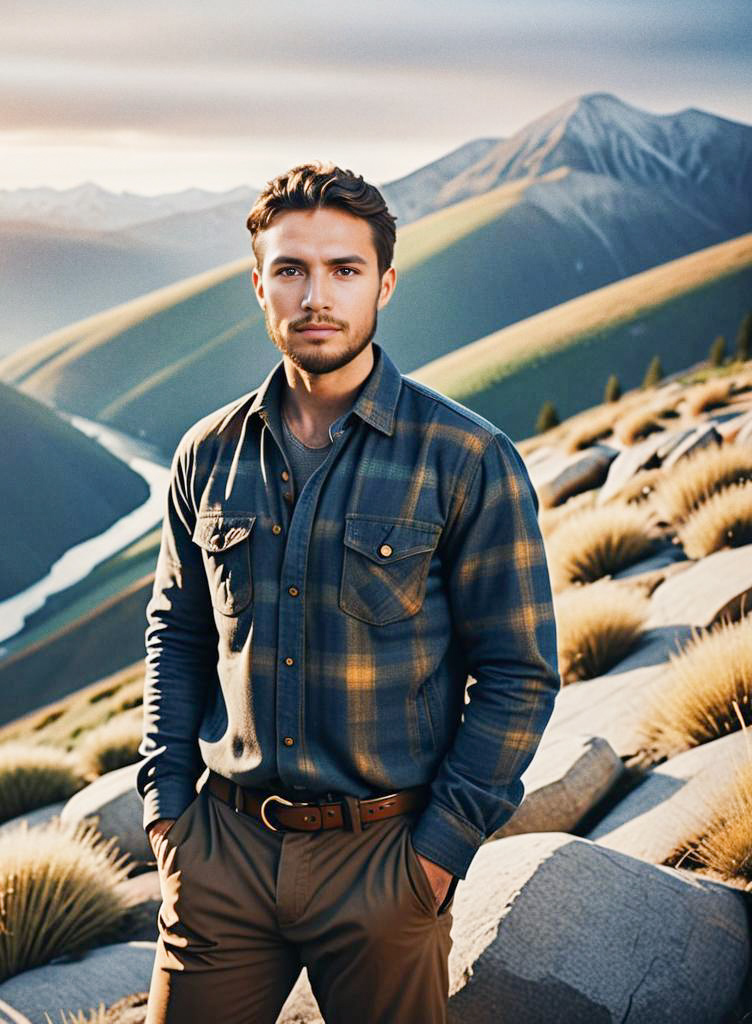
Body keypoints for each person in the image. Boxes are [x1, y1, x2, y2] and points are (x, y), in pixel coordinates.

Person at [135, 161, 560, 1023]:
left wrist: (435, 857)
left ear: (385, 283)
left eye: (344, 269)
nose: (315, 296)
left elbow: (519, 674)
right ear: (259, 284)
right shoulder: (206, 455)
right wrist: (167, 814)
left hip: (386, 861)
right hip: (220, 853)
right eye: (290, 269)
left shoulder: (465, 458)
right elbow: (176, 638)